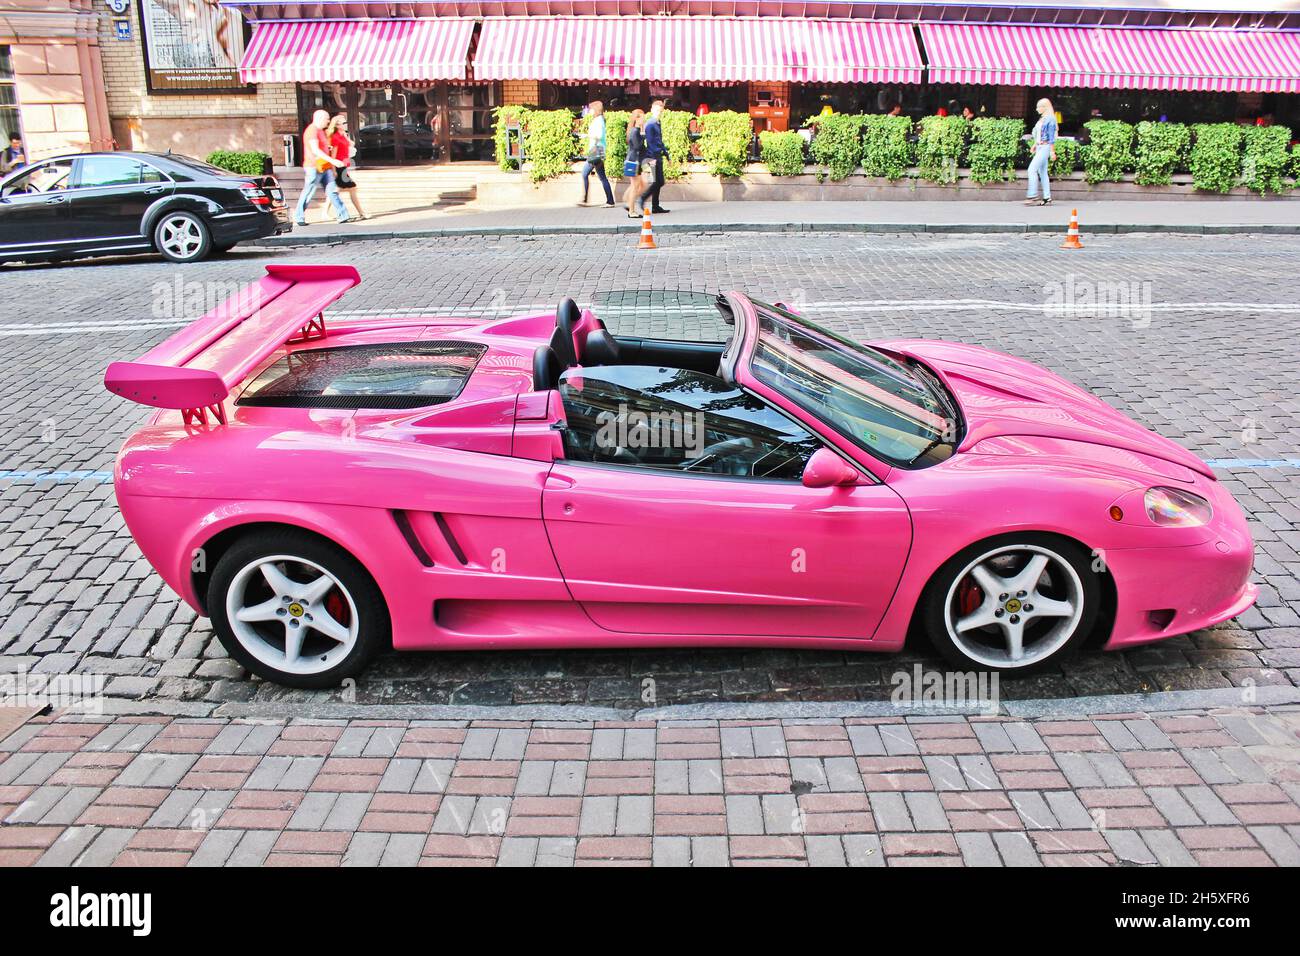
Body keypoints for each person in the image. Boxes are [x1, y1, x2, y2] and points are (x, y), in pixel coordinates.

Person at [294, 108, 349, 226]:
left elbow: (323, 147)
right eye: (327, 119)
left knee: (332, 190)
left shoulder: (320, 131)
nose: (328, 121)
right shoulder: (312, 131)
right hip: (314, 166)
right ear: (320, 118)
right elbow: (315, 150)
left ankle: (343, 215)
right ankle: (299, 217)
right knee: (308, 192)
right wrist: (333, 161)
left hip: (325, 166)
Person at [326, 113, 366, 221]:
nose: (345, 124)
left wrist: (345, 136)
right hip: (339, 167)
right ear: (337, 125)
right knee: (352, 188)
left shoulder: (342, 135)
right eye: (343, 123)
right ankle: (361, 213)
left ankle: (324, 212)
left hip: (344, 165)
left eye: (345, 122)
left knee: (335, 190)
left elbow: (351, 144)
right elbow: (333, 155)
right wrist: (333, 170)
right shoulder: (334, 138)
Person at [579, 100, 615, 207]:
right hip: (598, 150)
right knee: (601, 176)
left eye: (591, 109)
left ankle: (586, 199)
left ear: (595, 110)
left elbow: (598, 135)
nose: (589, 111)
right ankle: (609, 200)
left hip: (596, 150)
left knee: (585, 174)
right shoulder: (599, 120)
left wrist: (588, 136)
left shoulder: (598, 121)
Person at [637, 99, 669, 215]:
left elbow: (659, 141)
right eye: (656, 111)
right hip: (653, 156)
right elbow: (650, 142)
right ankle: (643, 198)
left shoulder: (657, 123)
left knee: (658, 181)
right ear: (652, 110)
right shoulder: (650, 124)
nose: (658, 113)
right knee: (659, 182)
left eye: (660, 111)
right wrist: (656, 155)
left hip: (657, 155)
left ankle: (655, 206)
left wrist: (665, 153)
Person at [1024, 97, 1057, 207]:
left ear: (1045, 107)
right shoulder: (1043, 119)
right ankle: (1047, 197)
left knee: (1032, 169)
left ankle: (1033, 195)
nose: (1037, 109)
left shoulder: (1050, 119)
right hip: (1040, 147)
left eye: (1039, 107)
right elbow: (1039, 134)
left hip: (1045, 147)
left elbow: (1051, 137)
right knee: (1042, 173)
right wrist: (1035, 144)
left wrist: (1052, 152)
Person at [623, 109, 646, 219]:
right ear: (637, 119)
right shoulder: (635, 132)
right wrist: (643, 133)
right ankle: (631, 210)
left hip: (635, 161)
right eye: (642, 118)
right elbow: (638, 147)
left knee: (640, 185)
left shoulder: (635, 131)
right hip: (633, 161)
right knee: (635, 187)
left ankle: (628, 202)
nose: (644, 120)